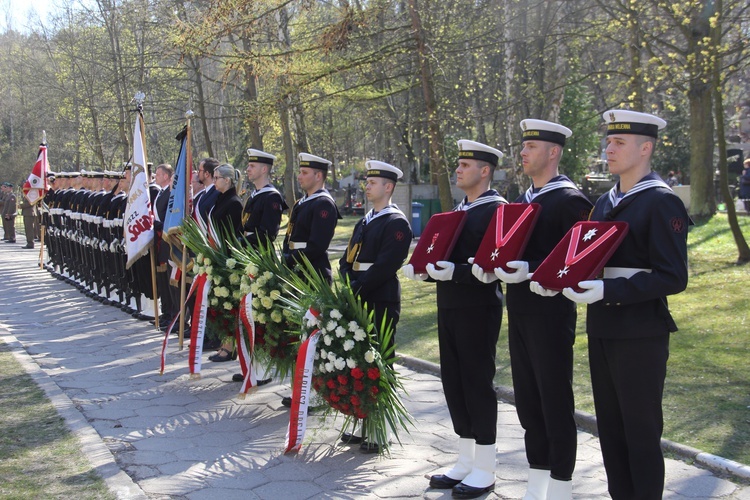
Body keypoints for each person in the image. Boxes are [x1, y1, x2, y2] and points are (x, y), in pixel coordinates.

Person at [532, 110, 689, 500]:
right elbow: (587, 260)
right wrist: (558, 281)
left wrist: (608, 291)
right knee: (612, 433)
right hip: (602, 328)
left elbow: (673, 276)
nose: (609, 148)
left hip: (641, 332)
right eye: (609, 141)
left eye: (619, 142)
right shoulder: (603, 202)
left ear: (646, 148)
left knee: (640, 433)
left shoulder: (661, 202)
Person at [471, 120, 592, 499]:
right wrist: (488, 264)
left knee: (554, 401)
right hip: (520, 312)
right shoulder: (522, 201)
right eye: (523, 146)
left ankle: (560, 486)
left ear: (553, 152)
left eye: (531, 147)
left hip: (551, 316)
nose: (522, 152)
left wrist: (534, 269)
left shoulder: (570, 200)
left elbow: (578, 263)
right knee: (528, 402)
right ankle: (538, 481)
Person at [403, 140, 507, 499]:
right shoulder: (458, 210)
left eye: (466, 165)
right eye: (458, 164)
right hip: (449, 305)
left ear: (484, 171)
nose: (458, 170)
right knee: (454, 382)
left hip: (478, 308)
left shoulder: (497, 209)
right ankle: (466, 459)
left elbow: (497, 265)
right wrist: (427, 271)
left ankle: (486, 466)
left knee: (477, 382)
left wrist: (456, 273)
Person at [338, 160, 412, 453]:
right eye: (366, 181)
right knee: (358, 359)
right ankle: (361, 420)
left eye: (372, 182)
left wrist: (358, 286)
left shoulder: (396, 222)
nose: (367, 186)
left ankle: (379, 428)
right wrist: (345, 280)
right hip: (357, 294)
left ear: (388, 187)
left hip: (379, 297)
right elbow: (348, 257)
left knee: (380, 360)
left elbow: (386, 265)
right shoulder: (366, 219)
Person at [280, 152, 341, 407]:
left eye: (305, 173)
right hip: (297, 272)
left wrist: (291, 258)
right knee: (299, 333)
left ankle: (314, 393)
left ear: (318, 176)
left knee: (312, 333)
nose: (300, 176)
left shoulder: (323, 204)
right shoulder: (305, 201)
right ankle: (302, 387)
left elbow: (316, 246)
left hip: (311, 274)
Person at [230, 148, 289, 382]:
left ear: (264, 169)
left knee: (259, 314)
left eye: (252, 166)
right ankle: (251, 363)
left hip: (259, 259)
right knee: (247, 312)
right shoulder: (254, 195)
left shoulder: (271, 197)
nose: (248, 169)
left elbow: (267, 233)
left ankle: (263, 368)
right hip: (247, 257)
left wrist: (242, 241)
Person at [207, 163, 245, 362]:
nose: (213, 181)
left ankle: (230, 347)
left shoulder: (234, 203)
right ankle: (225, 343)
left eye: (216, 178)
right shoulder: (221, 199)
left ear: (227, 180)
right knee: (221, 303)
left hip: (228, 260)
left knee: (228, 304)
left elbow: (234, 235)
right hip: (218, 257)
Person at [193, 157, 220, 225]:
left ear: (207, 174)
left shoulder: (216, 193)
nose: (198, 173)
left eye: (200, 170)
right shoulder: (204, 193)